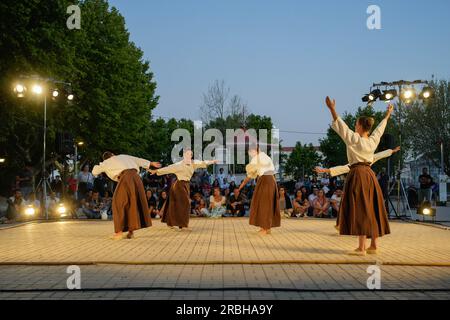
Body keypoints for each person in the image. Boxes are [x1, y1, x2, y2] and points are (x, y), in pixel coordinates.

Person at [325, 96, 393, 255]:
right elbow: (380, 130)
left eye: (356, 123)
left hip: (357, 175)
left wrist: (332, 109)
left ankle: (361, 247)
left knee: (361, 209)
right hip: (370, 175)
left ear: (361, 126)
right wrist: (387, 115)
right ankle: (373, 245)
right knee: (372, 208)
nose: (354, 125)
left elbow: (340, 125)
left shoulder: (354, 139)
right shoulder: (372, 141)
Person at [92, 152, 161, 240]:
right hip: (136, 178)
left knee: (118, 203)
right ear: (113, 154)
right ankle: (131, 232)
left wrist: (100, 167)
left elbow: (95, 171)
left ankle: (119, 232)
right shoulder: (124, 156)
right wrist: (150, 163)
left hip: (125, 179)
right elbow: (138, 160)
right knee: (132, 203)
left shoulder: (107, 162)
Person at [149, 149, 217, 230]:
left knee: (176, 205)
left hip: (186, 185)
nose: (189, 155)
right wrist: (156, 171)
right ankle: (183, 224)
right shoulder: (178, 165)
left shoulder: (193, 163)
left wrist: (212, 161)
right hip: (178, 186)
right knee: (185, 203)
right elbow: (168, 168)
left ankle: (173, 223)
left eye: (190, 154)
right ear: (184, 155)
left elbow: (203, 163)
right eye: (187, 154)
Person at [239, 145, 280, 235]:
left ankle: (265, 228)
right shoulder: (265, 156)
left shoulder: (256, 158)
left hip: (265, 181)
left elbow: (249, 176)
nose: (249, 154)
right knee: (267, 204)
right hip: (271, 181)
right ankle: (266, 227)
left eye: (250, 152)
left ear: (254, 150)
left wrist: (241, 185)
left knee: (263, 204)